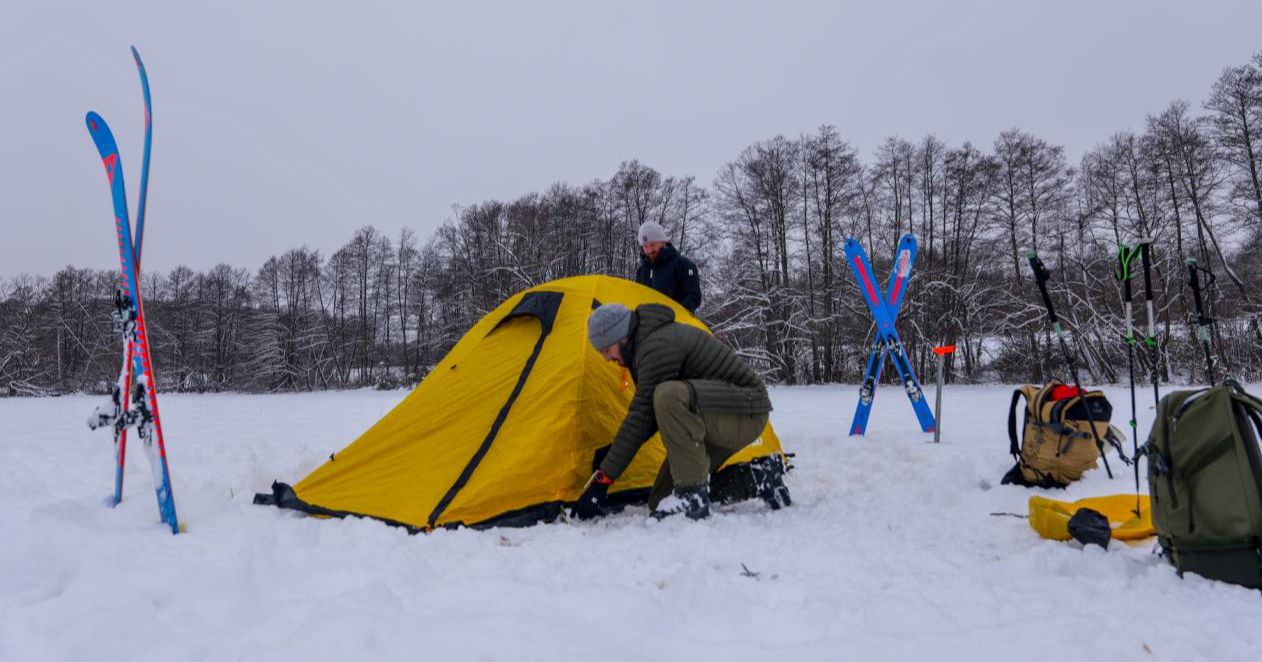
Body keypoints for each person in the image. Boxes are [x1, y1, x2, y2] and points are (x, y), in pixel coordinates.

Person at [572, 302, 782, 520]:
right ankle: (758, 479)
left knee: (667, 395)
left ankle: (692, 496)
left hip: (744, 413)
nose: (607, 359)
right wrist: (608, 465)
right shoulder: (644, 344)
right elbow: (645, 418)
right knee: (661, 500)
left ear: (621, 336)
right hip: (710, 415)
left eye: (606, 350)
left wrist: (604, 479)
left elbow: (643, 416)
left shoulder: (657, 345)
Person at [635, 221, 702, 314]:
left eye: (652, 244)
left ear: (663, 241)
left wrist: (673, 315)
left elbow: (694, 297)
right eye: (645, 246)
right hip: (649, 325)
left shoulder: (683, 264)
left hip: (677, 324)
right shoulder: (641, 271)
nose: (649, 250)